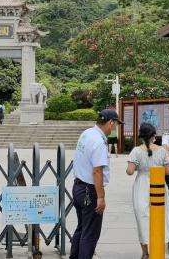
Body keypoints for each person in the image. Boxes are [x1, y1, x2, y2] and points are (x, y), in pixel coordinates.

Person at [70, 109, 122, 259]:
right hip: (89, 191)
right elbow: (97, 171)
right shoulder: (98, 141)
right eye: (115, 125)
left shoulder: (87, 133)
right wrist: (101, 197)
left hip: (78, 187)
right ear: (110, 122)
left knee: (81, 228)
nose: (115, 128)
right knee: (90, 233)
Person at [126, 123, 169, 259]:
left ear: (141, 136)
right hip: (158, 185)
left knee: (142, 218)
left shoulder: (136, 151)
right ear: (154, 136)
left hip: (141, 186)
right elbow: (168, 171)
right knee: (161, 216)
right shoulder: (163, 151)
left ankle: (145, 252)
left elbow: (130, 171)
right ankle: (158, 249)